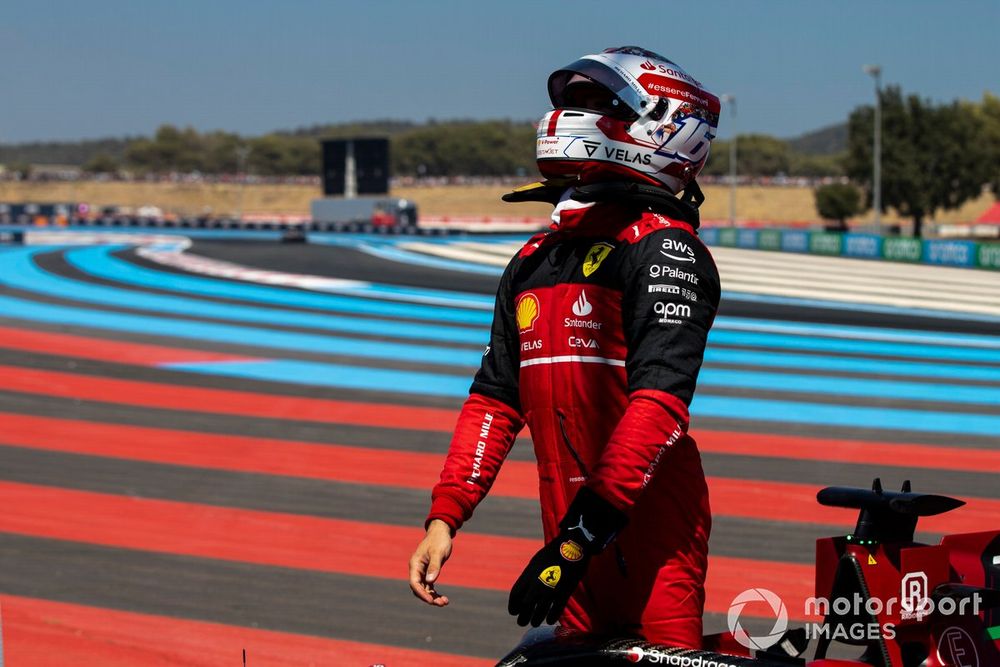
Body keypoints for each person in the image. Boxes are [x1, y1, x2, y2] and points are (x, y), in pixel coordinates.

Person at [408, 46, 722, 649]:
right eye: (570, 101)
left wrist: (580, 538)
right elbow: (495, 401)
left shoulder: (665, 249)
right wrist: (447, 516)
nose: (568, 116)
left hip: (649, 526)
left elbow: (659, 408)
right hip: (568, 523)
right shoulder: (532, 258)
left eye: (594, 102)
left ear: (663, 122)